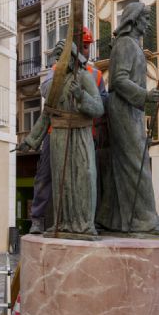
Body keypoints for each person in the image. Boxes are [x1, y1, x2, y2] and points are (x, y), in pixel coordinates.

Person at [96, 2, 159, 235]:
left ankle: (111, 219)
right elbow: (118, 80)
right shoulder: (125, 45)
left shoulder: (132, 46)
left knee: (125, 164)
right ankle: (145, 220)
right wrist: (145, 95)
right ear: (134, 20)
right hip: (123, 109)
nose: (148, 24)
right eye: (146, 19)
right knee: (135, 164)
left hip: (132, 109)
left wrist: (144, 99)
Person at [24, 27, 108, 234]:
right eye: (84, 46)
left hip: (84, 133)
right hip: (56, 133)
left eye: (89, 46)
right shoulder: (55, 71)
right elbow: (47, 96)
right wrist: (60, 71)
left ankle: (90, 220)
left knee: (88, 177)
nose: (87, 51)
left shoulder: (94, 75)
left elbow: (102, 104)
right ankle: (38, 218)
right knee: (46, 176)